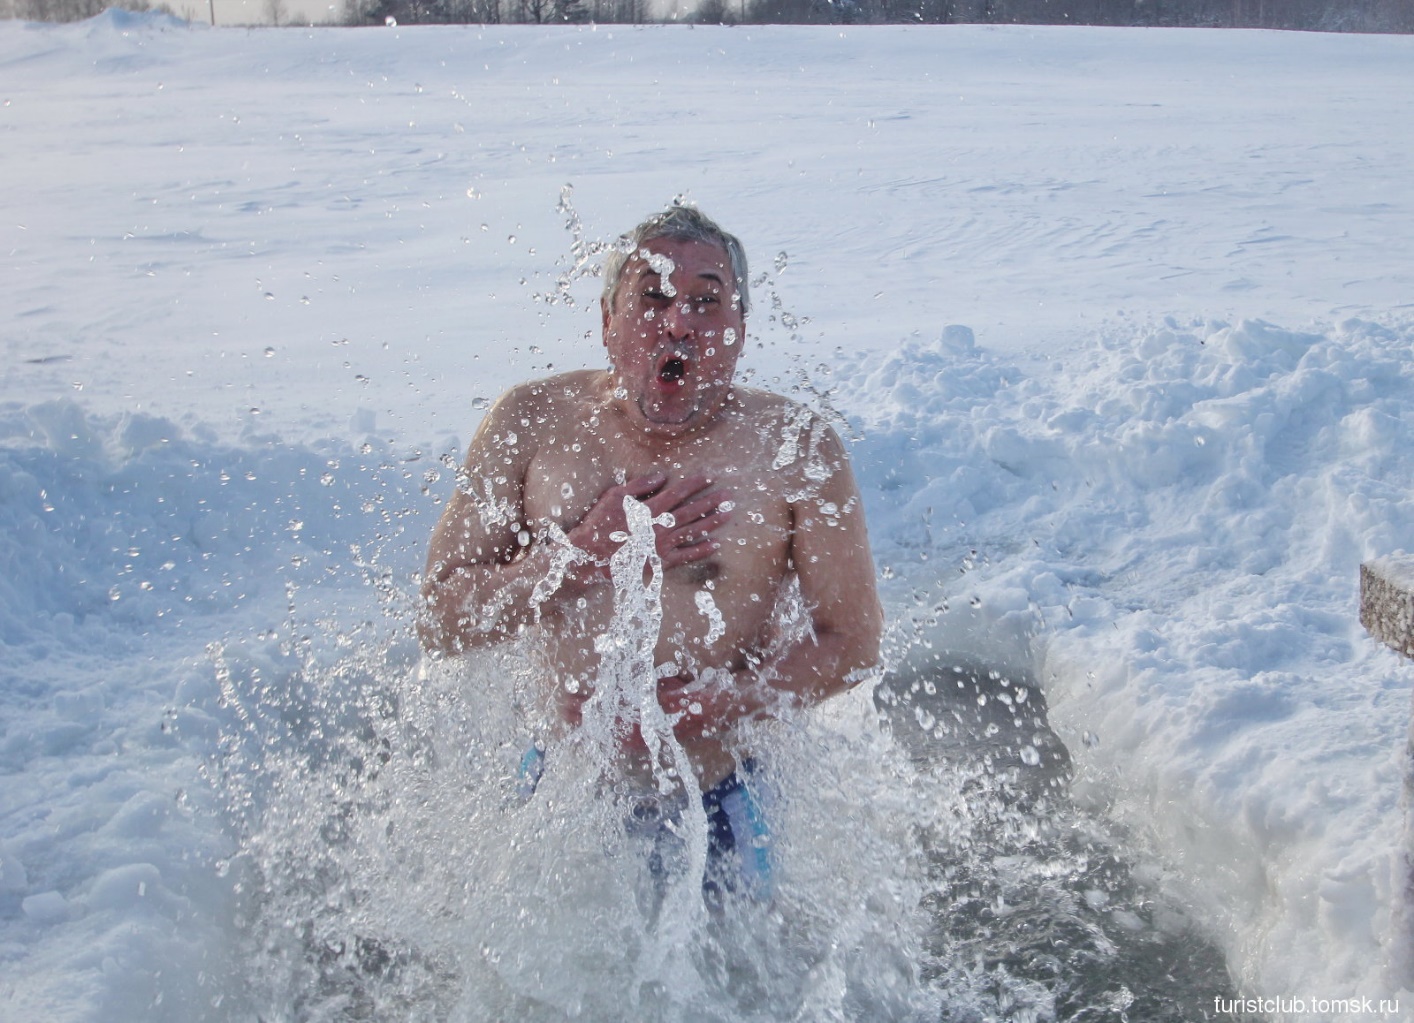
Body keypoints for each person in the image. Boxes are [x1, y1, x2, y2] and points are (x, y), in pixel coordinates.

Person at [418, 205, 883, 897]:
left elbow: (852, 641)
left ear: (740, 329)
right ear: (608, 321)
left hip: (719, 797)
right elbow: (441, 619)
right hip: (561, 792)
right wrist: (580, 558)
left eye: (706, 301)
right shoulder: (532, 423)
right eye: (654, 297)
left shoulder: (795, 450)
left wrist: (721, 704)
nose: (680, 323)